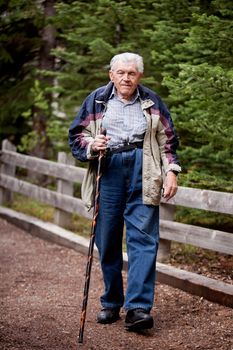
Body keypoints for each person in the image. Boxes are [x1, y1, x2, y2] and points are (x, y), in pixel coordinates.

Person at [69, 52, 181, 332]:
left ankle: (138, 309)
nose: (126, 78)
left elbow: (167, 140)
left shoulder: (152, 101)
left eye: (131, 73)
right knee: (106, 239)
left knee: (143, 240)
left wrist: (171, 172)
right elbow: (76, 135)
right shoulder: (97, 100)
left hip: (145, 169)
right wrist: (92, 144)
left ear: (139, 76)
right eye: (120, 73)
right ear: (111, 75)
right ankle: (111, 301)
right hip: (108, 169)